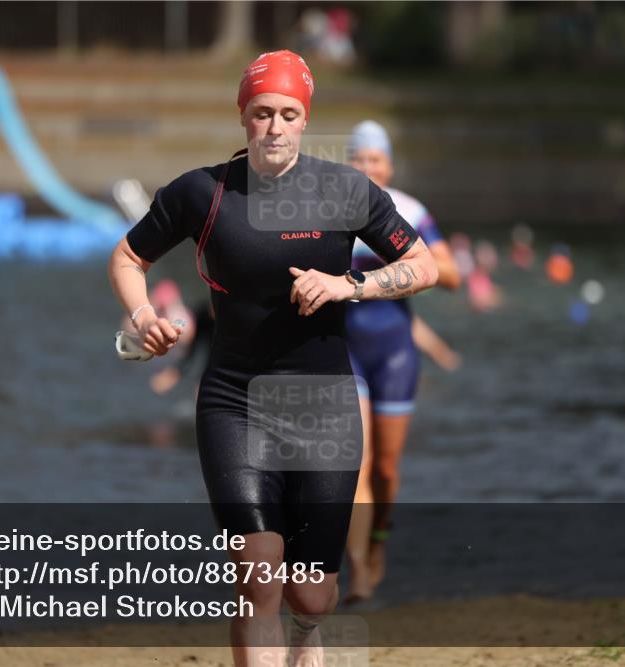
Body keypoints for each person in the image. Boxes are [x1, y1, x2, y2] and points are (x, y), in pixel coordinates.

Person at [108, 51, 439, 667]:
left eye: (289, 113)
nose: (275, 127)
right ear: (243, 116)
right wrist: (144, 316)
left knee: (311, 595)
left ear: (305, 119)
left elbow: (423, 265)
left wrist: (349, 285)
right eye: (262, 113)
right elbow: (128, 258)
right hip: (235, 400)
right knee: (258, 576)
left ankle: (308, 635)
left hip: (325, 405)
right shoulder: (202, 192)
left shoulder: (345, 189)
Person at [343, 120, 461, 603]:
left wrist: (396, 263)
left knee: (386, 470)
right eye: (358, 159)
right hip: (343, 348)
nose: (367, 167)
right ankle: (357, 570)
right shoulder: (328, 208)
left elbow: (450, 274)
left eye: (375, 159)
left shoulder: (409, 211)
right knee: (356, 463)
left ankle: (377, 542)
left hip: (393, 350)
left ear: (388, 166)